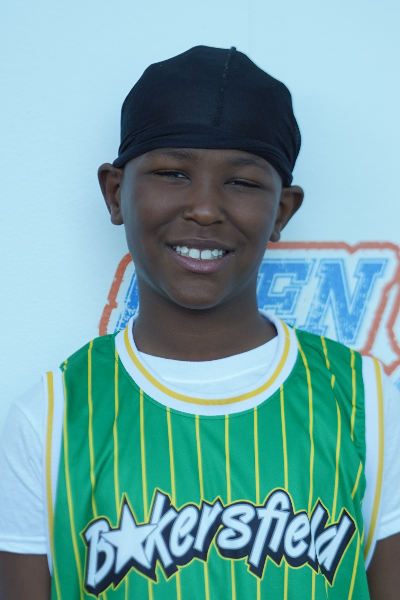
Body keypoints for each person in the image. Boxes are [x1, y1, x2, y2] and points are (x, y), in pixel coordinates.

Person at [0, 45, 399, 600]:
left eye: (242, 182)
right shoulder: (52, 417)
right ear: (115, 193)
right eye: (172, 173)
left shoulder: (364, 402)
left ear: (283, 210)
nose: (205, 208)